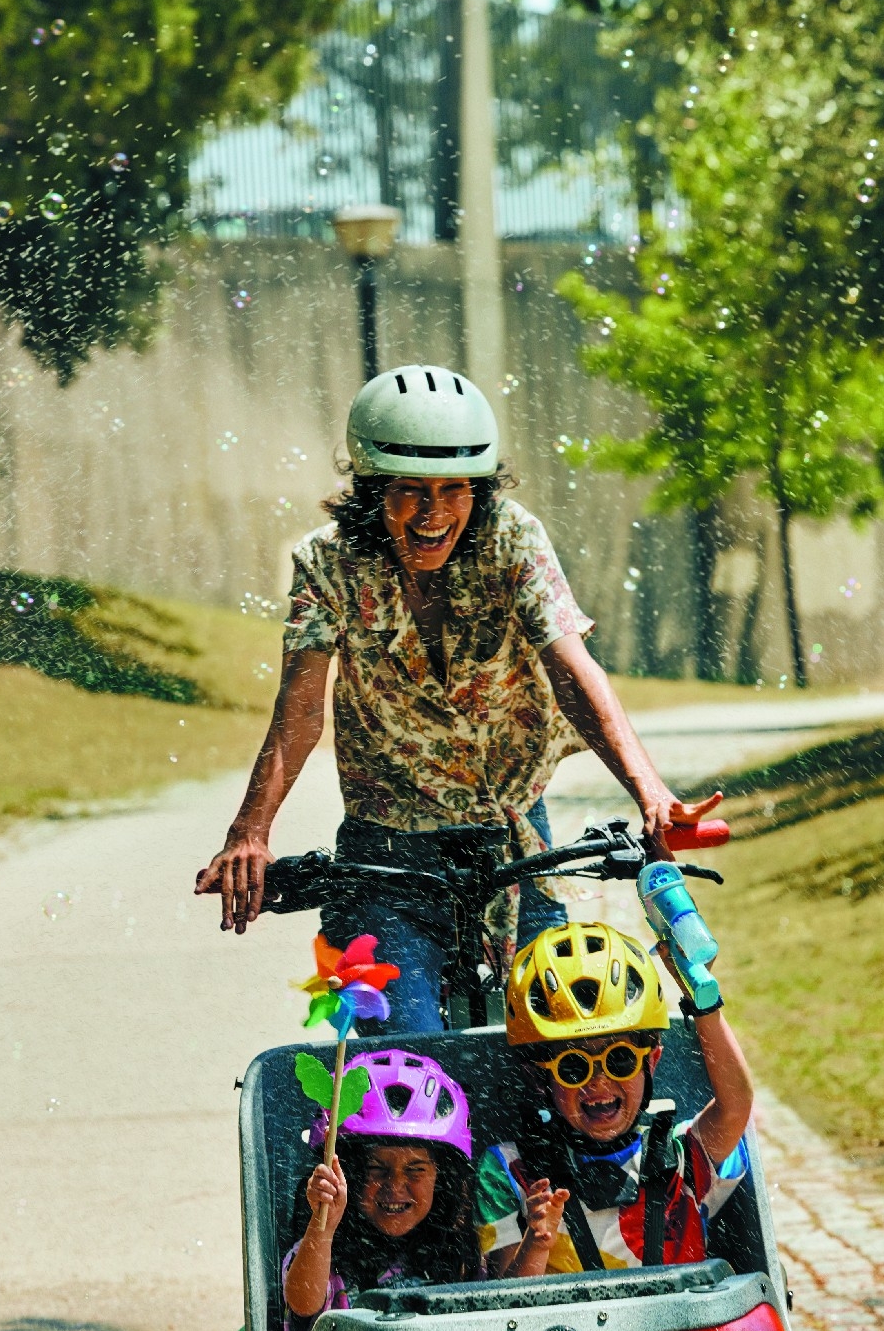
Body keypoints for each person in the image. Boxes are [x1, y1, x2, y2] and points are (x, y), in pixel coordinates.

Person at [196, 364, 721, 1032]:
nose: (434, 512)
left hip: (517, 844)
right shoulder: (326, 563)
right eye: (410, 491)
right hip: (388, 856)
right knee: (406, 1071)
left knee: (561, 1049)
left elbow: (570, 667)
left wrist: (650, 792)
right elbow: (300, 710)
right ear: (369, 488)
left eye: (455, 489)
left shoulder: (512, 540)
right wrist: (251, 832)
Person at [476, 922, 753, 1276]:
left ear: (651, 1061)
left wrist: (703, 1000)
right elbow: (506, 1307)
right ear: (538, 1077)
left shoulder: (681, 1159)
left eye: (619, 1059)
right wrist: (537, 1240)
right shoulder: (510, 1171)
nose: (598, 1082)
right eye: (573, 1067)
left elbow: (736, 1106)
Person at [259, 1050, 483, 1331]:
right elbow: (302, 1303)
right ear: (345, 1173)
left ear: (443, 1180)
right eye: (377, 1169)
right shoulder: (324, 1246)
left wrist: (537, 1241)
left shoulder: (454, 1248)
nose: (395, 1187)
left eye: (415, 1170)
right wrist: (323, 1228)